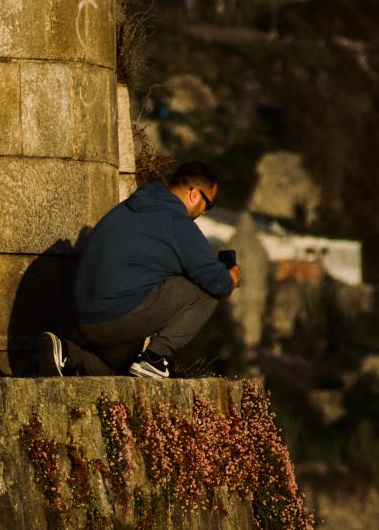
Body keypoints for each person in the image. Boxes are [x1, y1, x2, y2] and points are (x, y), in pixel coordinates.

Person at [39, 160, 242, 379]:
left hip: (83, 319)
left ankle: (67, 352)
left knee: (119, 372)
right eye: (208, 204)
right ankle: (156, 358)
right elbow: (216, 282)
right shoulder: (177, 221)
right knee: (208, 292)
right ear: (194, 193)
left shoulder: (128, 208)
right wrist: (230, 277)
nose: (204, 212)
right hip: (117, 317)